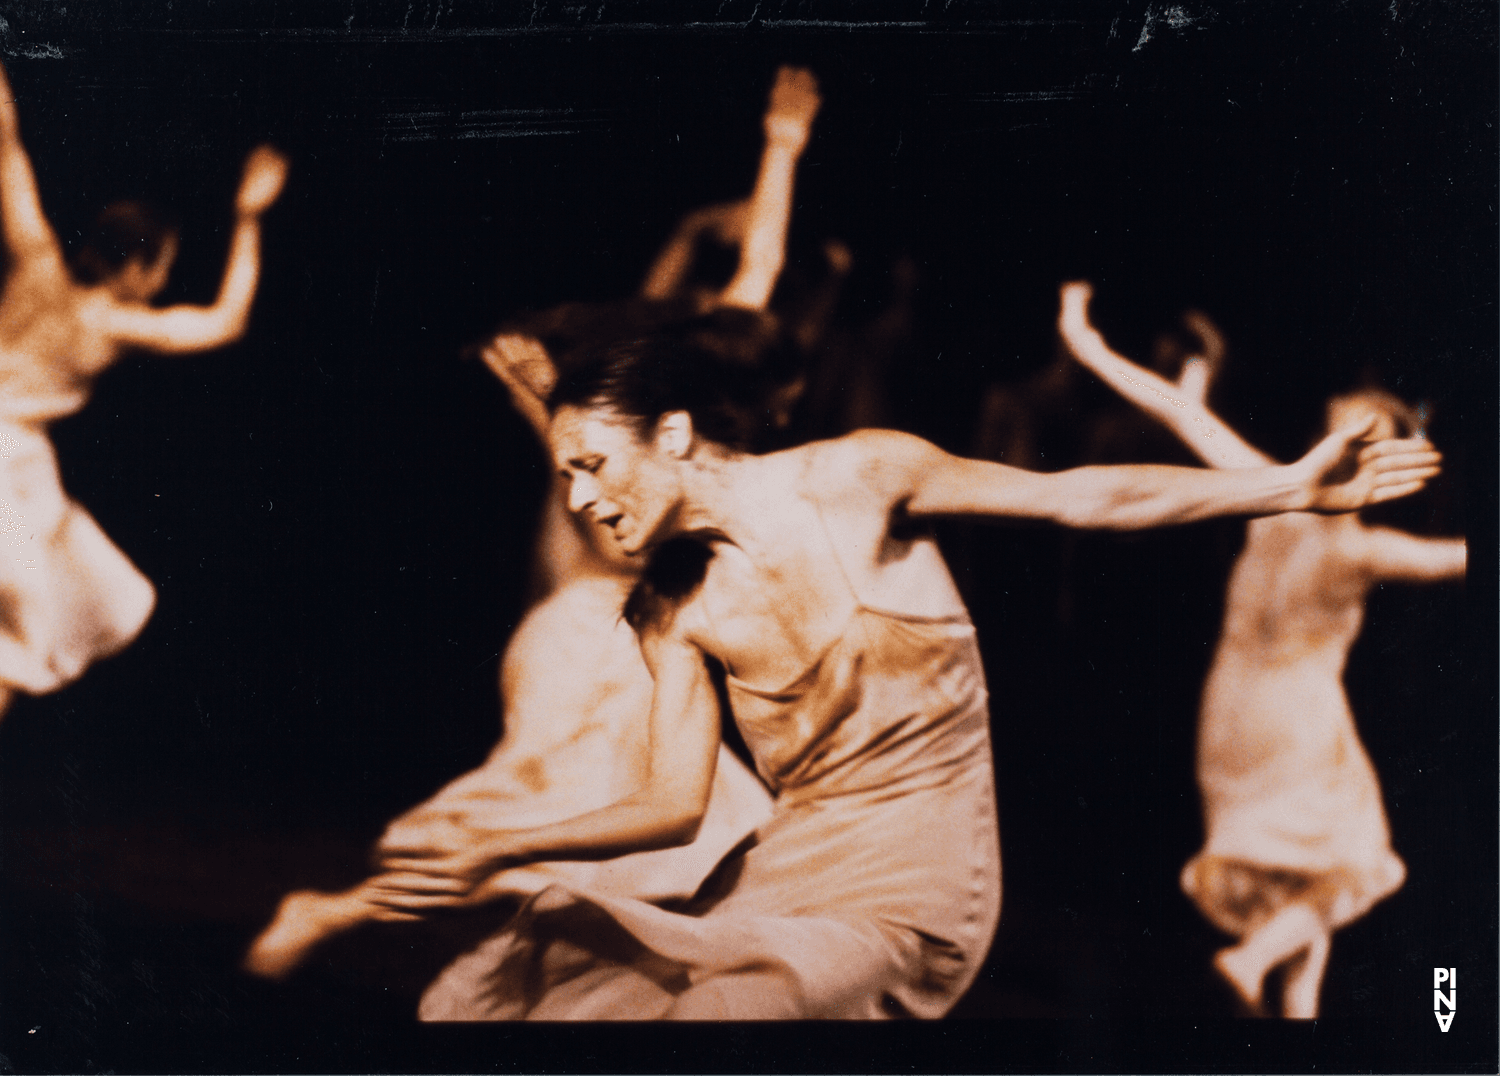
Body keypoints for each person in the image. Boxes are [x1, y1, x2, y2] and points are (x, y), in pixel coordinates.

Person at [352, 303, 1441, 1020]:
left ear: (674, 433)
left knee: (725, 1013)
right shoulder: (670, 605)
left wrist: (1292, 485)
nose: (580, 497)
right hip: (799, 859)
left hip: (920, 868)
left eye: (592, 462)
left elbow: (1085, 496)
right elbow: (672, 804)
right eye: (565, 473)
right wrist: (507, 843)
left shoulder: (860, 477)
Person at [243, 67, 823, 984]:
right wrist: (778, 149)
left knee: (691, 834)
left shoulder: (633, 421)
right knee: (549, 830)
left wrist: (780, 148)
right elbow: (748, 278)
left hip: (603, 643)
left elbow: (754, 272)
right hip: (593, 649)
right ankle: (331, 911)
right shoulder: (633, 438)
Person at [1057, 281, 1466, 1018]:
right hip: (1299, 717)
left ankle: (1295, 1011)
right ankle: (1247, 963)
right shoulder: (1363, 548)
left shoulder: (1267, 495)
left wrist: (1086, 339)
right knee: (1358, 863)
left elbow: (1183, 413)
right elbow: (1455, 560)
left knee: (1301, 883)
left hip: (1229, 710)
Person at [0, 59, 287, 717]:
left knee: (57, 614)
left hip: (23, 471)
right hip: (7, 464)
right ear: (132, 265)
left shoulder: (36, 264)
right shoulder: (115, 323)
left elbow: (10, 158)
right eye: (160, 268)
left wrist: (4, 90)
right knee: (23, 630)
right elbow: (225, 322)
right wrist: (249, 219)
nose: (161, 283)